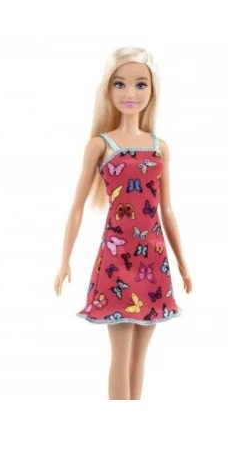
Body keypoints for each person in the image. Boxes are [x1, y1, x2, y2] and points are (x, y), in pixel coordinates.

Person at [54, 47, 193, 400]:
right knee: (120, 355)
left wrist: (182, 263)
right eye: (120, 84)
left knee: (139, 358)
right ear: (108, 90)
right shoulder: (101, 145)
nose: (130, 93)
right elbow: (76, 206)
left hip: (154, 259)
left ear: (152, 91)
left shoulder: (160, 147)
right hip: (118, 261)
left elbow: (167, 210)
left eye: (140, 84)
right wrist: (64, 260)